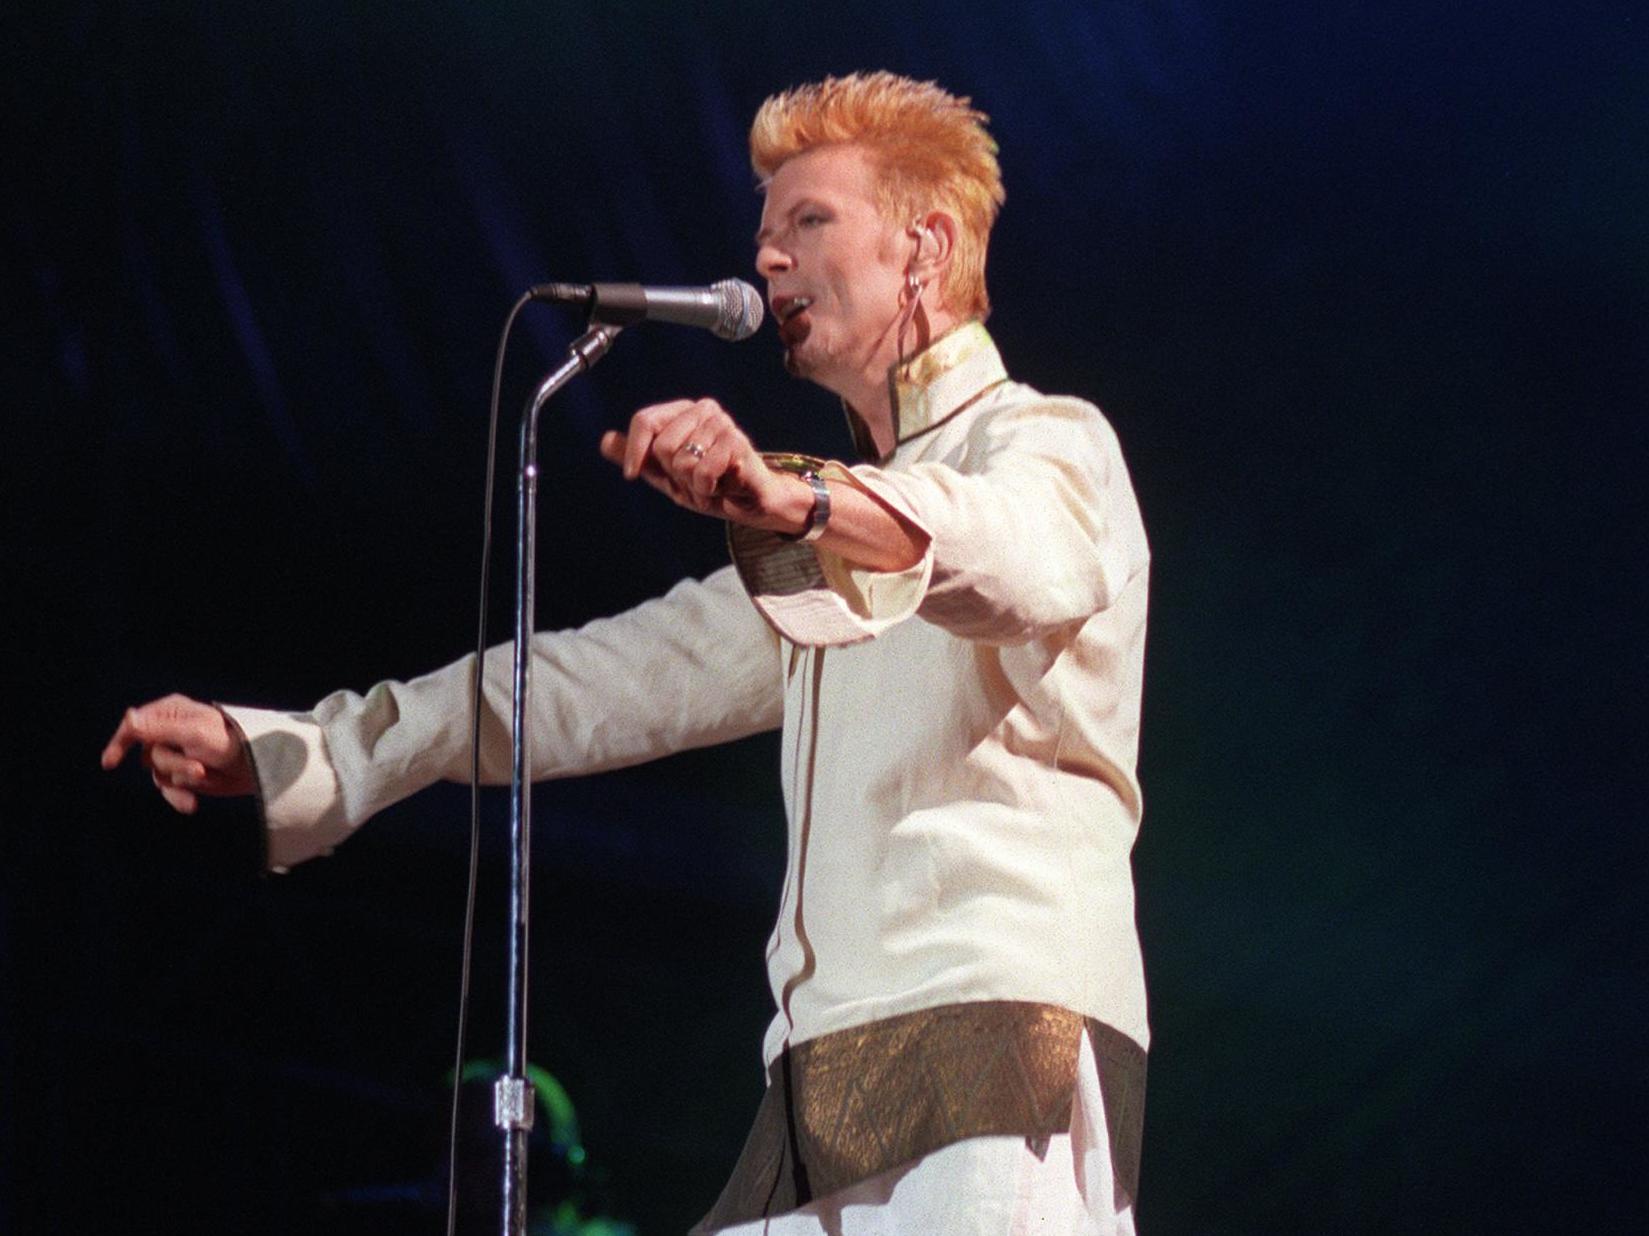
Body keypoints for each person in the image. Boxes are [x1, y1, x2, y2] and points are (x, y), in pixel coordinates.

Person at [102, 72, 1151, 1234]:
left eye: (809, 222)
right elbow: (592, 683)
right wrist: (309, 743)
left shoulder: (1049, 445)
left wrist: (792, 497)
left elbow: (1008, 557)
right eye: (762, 236)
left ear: (925, 246)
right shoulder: (818, 540)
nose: (769, 262)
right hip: (830, 1076)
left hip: (994, 1038)